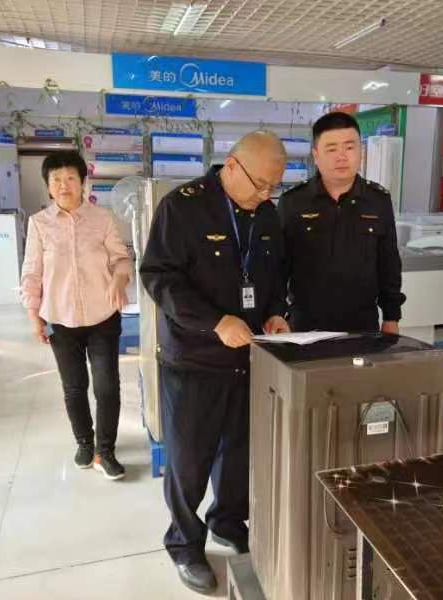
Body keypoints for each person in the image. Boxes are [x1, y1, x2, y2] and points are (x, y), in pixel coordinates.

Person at [140, 131, 289, 594]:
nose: (266, 195)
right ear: (232, 166)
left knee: (240, 452)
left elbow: (274, 276)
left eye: (275, 187)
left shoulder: (266, 215)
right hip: (194, 360)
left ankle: (227, 521)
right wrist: (214, 321)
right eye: (261, 184)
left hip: (249, 358)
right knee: (190, 460)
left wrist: (275, 311)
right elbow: (159, 277)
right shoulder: (183, 208)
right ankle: (185, 543)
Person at [20, 150, 132, 481]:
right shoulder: (39, 224)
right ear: (48, 186)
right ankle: (84, 443)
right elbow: (32, 272)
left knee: (107, 387)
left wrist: (119, 279)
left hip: (102, 316)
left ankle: (105, 451)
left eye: (70, 177)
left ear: (83, 182)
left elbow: (121, 259)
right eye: (56, 179)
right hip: (60, 318)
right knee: (74, 387)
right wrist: (33, 315)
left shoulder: (103, 219)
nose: (63, 185)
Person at [278, 111, 405, 333]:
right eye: (331, 149)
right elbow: (278, 266)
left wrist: (391, 317)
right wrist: (277, 313)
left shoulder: (378, 200)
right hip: (305, 325)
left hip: (363, 324)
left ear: (360, 151)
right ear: (316, 155)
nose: (342, 156)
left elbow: (389, 263)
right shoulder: (293, 202)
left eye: (349, 147)